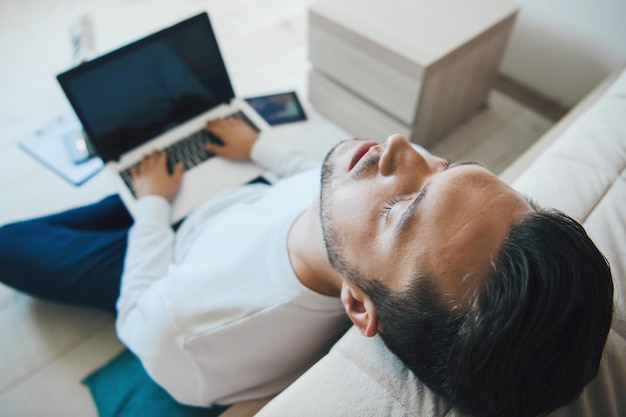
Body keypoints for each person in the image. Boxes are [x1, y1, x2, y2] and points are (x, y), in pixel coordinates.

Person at [0, 118, 614, 417]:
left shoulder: (190, 329)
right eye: (448, 165)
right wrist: (259, 147)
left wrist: (154, 208)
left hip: (160, 259)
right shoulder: (357, 208)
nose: (401, 148)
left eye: (402, 209)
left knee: (12, 243)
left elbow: (136, 315)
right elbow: (309, 185)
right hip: (228, 205)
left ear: (357, 305)